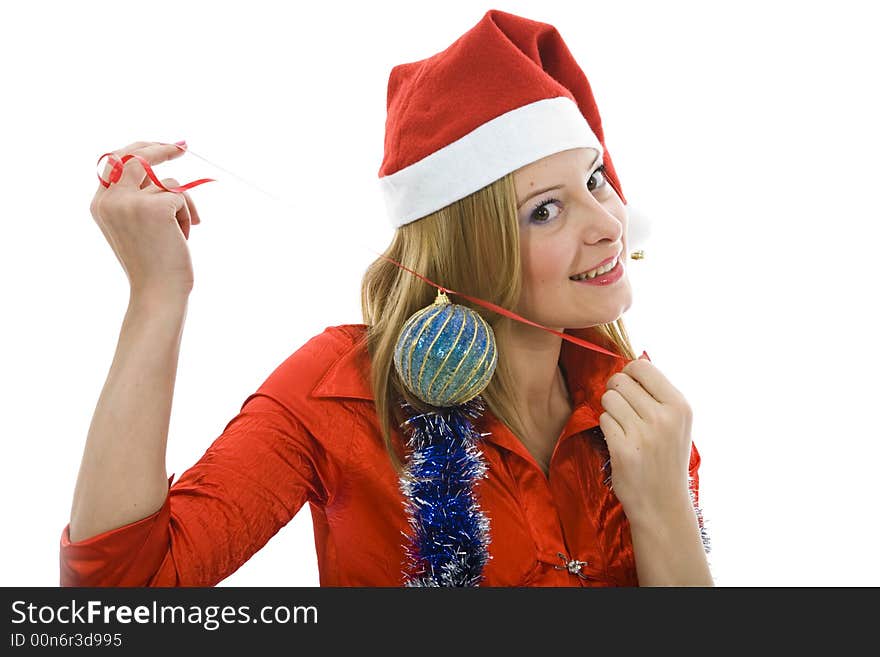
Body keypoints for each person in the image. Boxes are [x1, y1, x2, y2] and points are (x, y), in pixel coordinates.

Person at [60, 8, 712, 587]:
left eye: (594, 177)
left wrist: (662, 504)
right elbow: (117, 599)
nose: (607, 224)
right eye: (545, 210)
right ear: (464, 252)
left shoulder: (639, 415)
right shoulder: (341, 390)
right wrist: (156, 295)